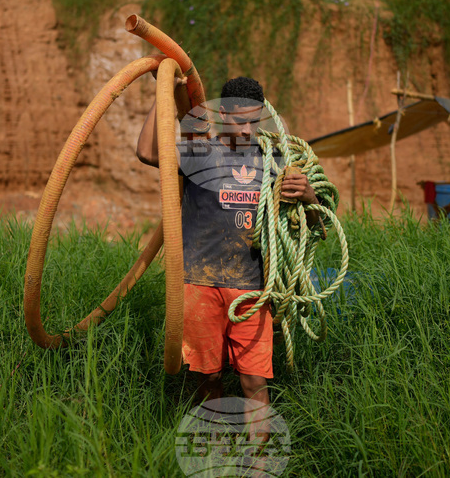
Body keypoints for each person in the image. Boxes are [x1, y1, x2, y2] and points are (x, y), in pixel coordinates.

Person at [135, 75, 319, 412]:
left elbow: (311, 226)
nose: (248, 130)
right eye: (239, 122)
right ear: (223, 117)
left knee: (254, 382)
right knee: (207, 378)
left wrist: (309, 196)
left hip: (252, 287)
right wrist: (164, 97)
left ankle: (258, 459)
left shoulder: (275, 159)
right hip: (200, 284)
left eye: (254, 121)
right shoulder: (201, 151)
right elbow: (147, 152)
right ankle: (215, 446)